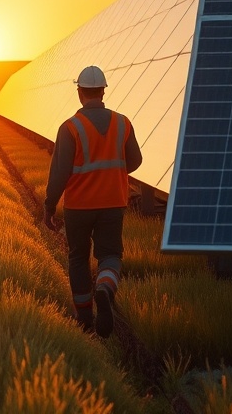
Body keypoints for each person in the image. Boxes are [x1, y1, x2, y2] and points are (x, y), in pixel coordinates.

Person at [43, 65, 142, 338]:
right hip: (112, 203)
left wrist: (49, 206)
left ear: (80, 93)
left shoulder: (70, 127)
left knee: (77, 258)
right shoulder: (123, 123)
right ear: (103, 91)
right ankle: (105, 289)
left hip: (78, 206)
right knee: (110, 255)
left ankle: (84, 318)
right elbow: (134, 161)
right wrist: (111, 173)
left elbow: (60, 173)